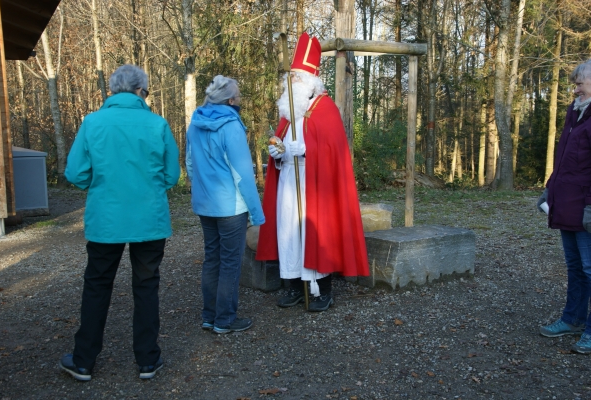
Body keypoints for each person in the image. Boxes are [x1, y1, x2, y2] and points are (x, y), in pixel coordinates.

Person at [59, 64, 180, 381]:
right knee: (146, 286)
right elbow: (171, 175)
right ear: (142, 90)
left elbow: (75, 173)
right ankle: (148, 360)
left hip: (106, 218)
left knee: (97, 285)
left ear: (112, 90)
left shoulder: (93, 123)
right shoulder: (157, 124)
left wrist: (99, 186)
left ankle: (83, 360)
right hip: (149, 219)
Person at [256, 33, 369, 312]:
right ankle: (295, 286)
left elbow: (332, 152)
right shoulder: (288, 112)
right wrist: (279, 154)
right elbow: (283, 143)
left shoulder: (324, 109)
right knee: (289, 232)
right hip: (288, 185)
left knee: (315, 233)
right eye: (290, 77)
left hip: (314, 186)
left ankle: (322, 291)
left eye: (296, 77)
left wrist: (305, 152)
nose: (290, 82)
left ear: (310, 81)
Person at [186, 75, 265, 334]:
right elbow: (242, 173)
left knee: (212, 259)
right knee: (230, 261)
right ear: (231, 100)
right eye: (239, 96)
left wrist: (199, 191)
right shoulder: (231, 125)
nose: (240, 100)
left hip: (205, 204)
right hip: (230, 206)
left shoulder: (195, 122)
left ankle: (209, 316)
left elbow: (189, 164)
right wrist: (256, 212)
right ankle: (225, 319)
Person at [537, 59, 591, 354]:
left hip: (586, 207)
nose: (575, 90)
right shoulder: (575, 114)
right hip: (567, 202)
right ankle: (572, 319)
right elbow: (565, 162)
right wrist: (549, 189)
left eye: (580, 84)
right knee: (576, 267)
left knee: (590, 267)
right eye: (574, 84)